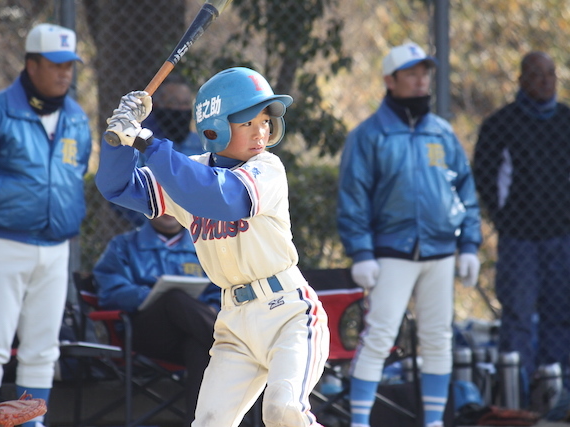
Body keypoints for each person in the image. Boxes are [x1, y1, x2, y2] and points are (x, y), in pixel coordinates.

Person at [95, 66, 330, 427]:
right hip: (234, 323)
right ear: (214, 127)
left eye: (265, 121)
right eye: (247, 123)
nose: (261, 132)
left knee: (283, 410)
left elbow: (219, 196)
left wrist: (145, 141)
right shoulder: (188, 171)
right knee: (209, 422)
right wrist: (118, 140)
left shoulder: (267, 169)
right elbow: (116, 186)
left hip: (289, 315)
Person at [0, 23, 91, 427]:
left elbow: (73, 174)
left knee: (43, 350)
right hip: (0, 242)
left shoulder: (76, 118)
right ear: (31, 64)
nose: (65, 73)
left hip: (56, 246)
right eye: (56, 64)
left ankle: (30, 424)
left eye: (70, 65)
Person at [337, 41, 482, 427]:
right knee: (380, 335)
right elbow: (353, 198)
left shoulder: (442, 133)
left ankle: (433, 422)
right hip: (391, 252)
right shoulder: (368, 135)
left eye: (425, 73)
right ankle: (359, 422)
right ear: (390, 79)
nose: (421, 81)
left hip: (441, 251)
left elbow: (464, 191)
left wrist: (468, 244)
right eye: (412, 73)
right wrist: (362, 252)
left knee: (438, 337)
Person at [473, 51, 570, 383]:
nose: (545, 80)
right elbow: (485, 178)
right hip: (519, 240)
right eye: (537, 74)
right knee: (518, 315)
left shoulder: (566, 120)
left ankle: (555, 389)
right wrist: (506, 220)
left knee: (560, 313)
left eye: (550, 73)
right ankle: (520, 394)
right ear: (522, 80)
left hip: (562, 236)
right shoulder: (501, 124)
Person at [92, 214, 220, 426]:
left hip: (195, 334)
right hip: (144, 336)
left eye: (172, 205)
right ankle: (239, 347)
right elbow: (110, 293)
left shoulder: (204, 247)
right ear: (148, 209)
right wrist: (151, 297)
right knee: (174, 298)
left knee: (199, 347)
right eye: (161, 206)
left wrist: (210, 308)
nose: (168, 211)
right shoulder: (123, 246)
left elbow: (221, 294)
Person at [112, 75, 205, 227]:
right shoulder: (140, 144)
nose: (180, 109)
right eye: (173, 103)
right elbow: (122, 191)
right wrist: (156, 221)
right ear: (157, 105)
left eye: (185, 104)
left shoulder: (201, 146)